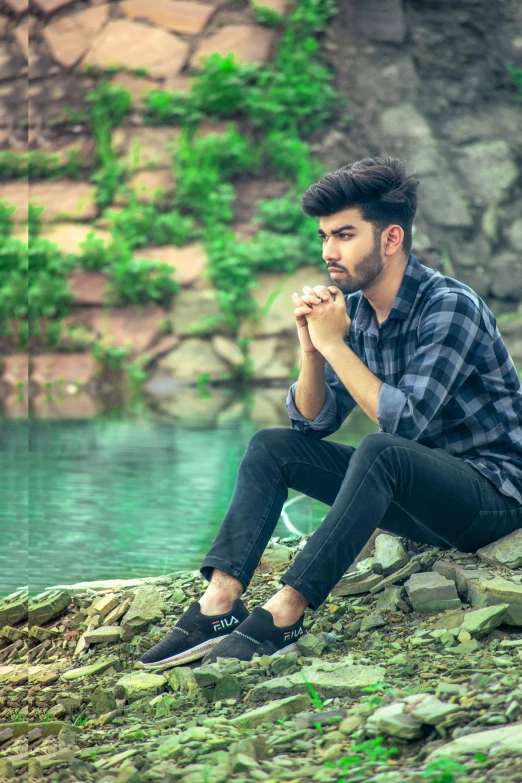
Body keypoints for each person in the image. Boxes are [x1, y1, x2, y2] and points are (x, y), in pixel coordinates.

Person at [140, 156, 522, 670]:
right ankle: (219, 604)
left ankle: (287, 611)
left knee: (382, 450)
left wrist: (333, 341)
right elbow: (311, 424)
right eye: (323, 237)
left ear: (390, 239)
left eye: (344, 235)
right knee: (271, 447)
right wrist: (313, 349)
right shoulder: (358, 312)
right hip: (422, 500)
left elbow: (403, 423)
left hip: (493, 498)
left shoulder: (449, 306)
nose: (328, 252)